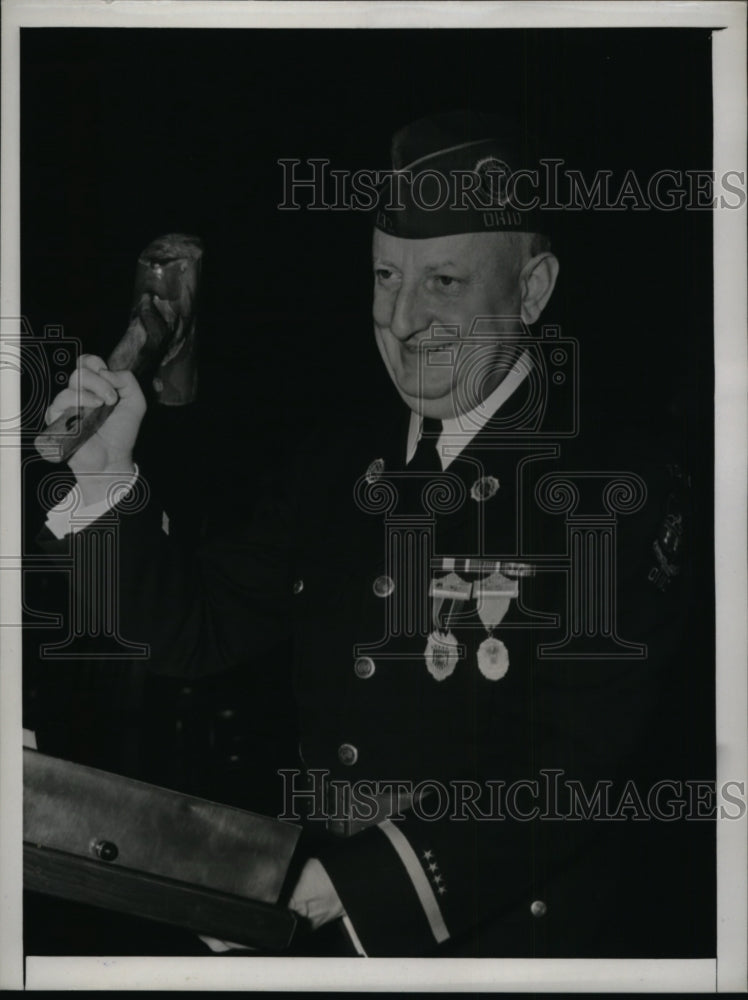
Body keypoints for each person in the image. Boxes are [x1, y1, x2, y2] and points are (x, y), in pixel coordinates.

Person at [40, 111, 700, 957]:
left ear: (532, 291)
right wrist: (104, 478)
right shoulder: (337, 460)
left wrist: (337, 889)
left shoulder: (621, 481)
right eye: (387, 276)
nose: (403, 318)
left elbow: (577, 772)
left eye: (446, 283)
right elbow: (190, 633)